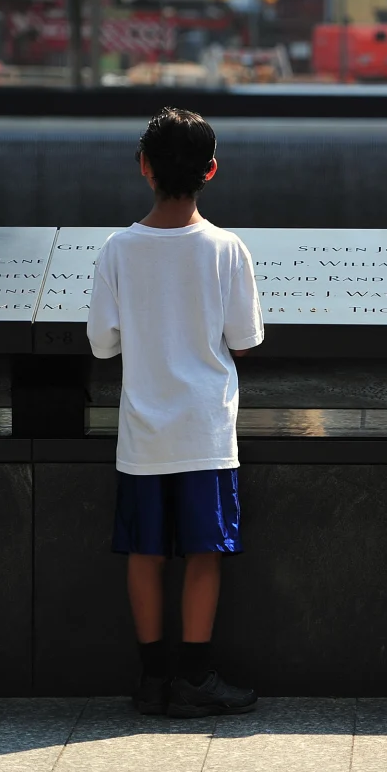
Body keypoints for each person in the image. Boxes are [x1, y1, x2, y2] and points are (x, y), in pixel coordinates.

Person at [88, 107, 265, 719]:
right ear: (211, 170)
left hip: (143, 431)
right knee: (203, 552)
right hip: (206, 429)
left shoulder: (118, 249)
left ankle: (150, 679)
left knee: (145, 552)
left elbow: (102, 344)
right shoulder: (227, 249)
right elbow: (245, 339)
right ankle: (195, 676)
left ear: (144, 167)